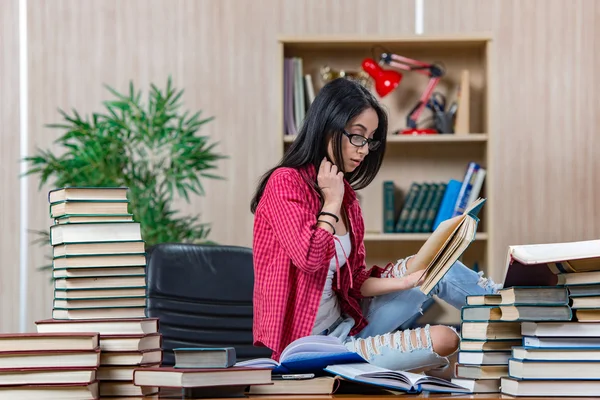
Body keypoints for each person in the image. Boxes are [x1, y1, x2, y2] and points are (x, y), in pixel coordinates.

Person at [249, 77, 500, 373]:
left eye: (370, 139)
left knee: (437, 267)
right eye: (357, 136)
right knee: (445, 338)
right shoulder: (286, 184)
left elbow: (355, 281)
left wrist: (407, 282)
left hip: (349, 325)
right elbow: (309, 258)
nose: (364, 149)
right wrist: (331, 203)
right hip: (310, 348)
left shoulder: (348, 198)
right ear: (328, 127)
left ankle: (511, 308)